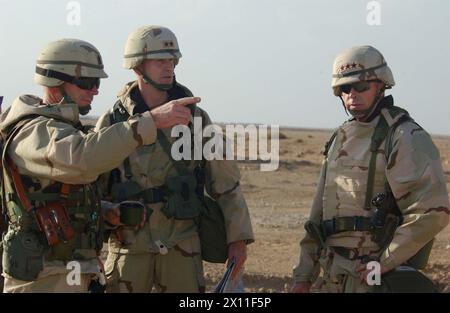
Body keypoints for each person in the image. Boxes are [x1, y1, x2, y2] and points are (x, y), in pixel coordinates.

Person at [0, 38, 198, 292]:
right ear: (56, 81)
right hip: (44, 278)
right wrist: (150, 121)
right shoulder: (33, 131)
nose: (95, 90)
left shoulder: (61, 128)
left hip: (69, 272)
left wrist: (106, 212)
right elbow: (82, 160)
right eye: (87, 82)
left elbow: (55, 195)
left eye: (98, 83)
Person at [96, 25, 254, 293]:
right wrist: (89, 251)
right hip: (128, 247)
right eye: (160, 61)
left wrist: (238, 240)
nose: (169, 67)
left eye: (172, 60)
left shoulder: (196, 118)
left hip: (182, 246)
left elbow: (227, 184)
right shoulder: (114, 121)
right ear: (137, 66)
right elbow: (93, 186)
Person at [291, 45, 449, 293]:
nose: (352, 93)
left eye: (361, 86)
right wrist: (303, 276)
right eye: (345, 88)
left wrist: (384, 262)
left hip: (374, 276)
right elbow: (317, 218)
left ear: (381, 85)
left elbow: (432, 211)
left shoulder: (404, 136)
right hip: (333, 276)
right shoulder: (339, 137)